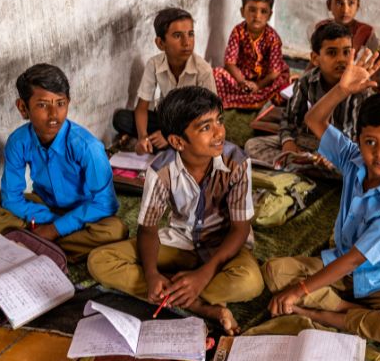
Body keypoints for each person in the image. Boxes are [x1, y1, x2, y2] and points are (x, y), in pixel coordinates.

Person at [262, 50, 380, 346]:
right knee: (274, 271)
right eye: (370, 142)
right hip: (336, 263)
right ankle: (351, 312)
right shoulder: (353, 159)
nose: (379, 153)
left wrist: (299, 291)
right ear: (358, 139)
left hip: (379, 279)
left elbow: (355, 260)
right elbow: (314, 119)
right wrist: (342, 89)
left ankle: (324, 314)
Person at [88, 87, 264, 334]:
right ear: (178, 141)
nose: (219, 132)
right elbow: (148, 229)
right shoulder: (161, 170)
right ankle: (199, 304)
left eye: (219, 121)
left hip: (224, 247)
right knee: (100, 261)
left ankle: (179, 289)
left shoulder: (236, 162)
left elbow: (240, 229)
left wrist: (203, 274)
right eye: (205, 127)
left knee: (250, 282)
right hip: (181, 241)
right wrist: (150, 274)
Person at [0, 63, 127, 260]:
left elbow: (106, 204)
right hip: (43, 206)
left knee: (115, 231)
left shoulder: (87, 147)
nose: (54, 114)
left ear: (68, 102)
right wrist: (51, 223)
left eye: (60, 103)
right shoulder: (18, 141)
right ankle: (55, 245)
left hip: (84, 211)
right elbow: (11, 198)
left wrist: (55, 228)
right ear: (23, 108)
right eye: (42, 105)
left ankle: (30, 240)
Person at [244, 22, 370, 168]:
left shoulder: (359, 89)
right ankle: (307, 165)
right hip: (307, 143)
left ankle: (303, 166)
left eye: (347, 52)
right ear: (315, 58)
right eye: (332, 53)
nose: (341, 59)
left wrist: (334, 154)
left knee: (356, 165)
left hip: (342, 148)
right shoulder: (306, 82)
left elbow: (359, 136)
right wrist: (288, 142)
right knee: (253, 145)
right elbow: (289, 119)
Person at [113, 7, 216, 155]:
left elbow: (210, 116)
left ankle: (171, 144)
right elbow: (142, 107)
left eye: (190, 34)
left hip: (193, 123)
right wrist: (143, 137)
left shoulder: (203, 70)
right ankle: (157, 143)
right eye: (177, 36)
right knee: (121, 118)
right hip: (165, 119)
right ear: (160, 43)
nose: (187, 42)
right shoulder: (154, 64)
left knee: (202, 136)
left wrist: (169, 135)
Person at [212, 0, 290, 109]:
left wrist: (258, 86)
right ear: (243, 12)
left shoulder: (273, 38)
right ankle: (252, 98)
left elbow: (274, 72)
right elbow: (230, 63)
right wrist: (242, 82)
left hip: (265, 80)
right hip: (242, 77)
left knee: (281, 81)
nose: (257, 16)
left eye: (263, 11)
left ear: (270, 15)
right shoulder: (238, 32)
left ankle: (250, 97)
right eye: (252, 10)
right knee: (216, 74)